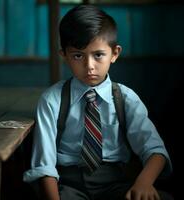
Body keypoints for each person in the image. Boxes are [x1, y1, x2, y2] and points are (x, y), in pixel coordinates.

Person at [23, 4, 173, 200]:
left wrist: (143, 183)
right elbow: (44, 164)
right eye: (78, 55)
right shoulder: (52, 100)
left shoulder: (126, 99)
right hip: (67, 184)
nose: (89, 66)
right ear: (64, 56)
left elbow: (154, 151)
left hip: (114, 183)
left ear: (115, 53)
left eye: (98, 55)